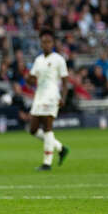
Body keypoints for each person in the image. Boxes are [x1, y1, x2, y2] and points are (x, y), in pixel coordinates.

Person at [27, 29, 70, 171]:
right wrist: (29, 79)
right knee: (32, 129)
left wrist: (63, 98)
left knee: (47, 127)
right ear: (40, 43)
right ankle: (60, 147)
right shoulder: (38, 60)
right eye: (44, 42)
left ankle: (47, 163)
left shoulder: (59, 59)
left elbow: (65, 81)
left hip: (51, 96)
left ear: (53, 43)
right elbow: (32, 78)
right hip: (39, 96)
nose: (46, 44)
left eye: (49, 42)